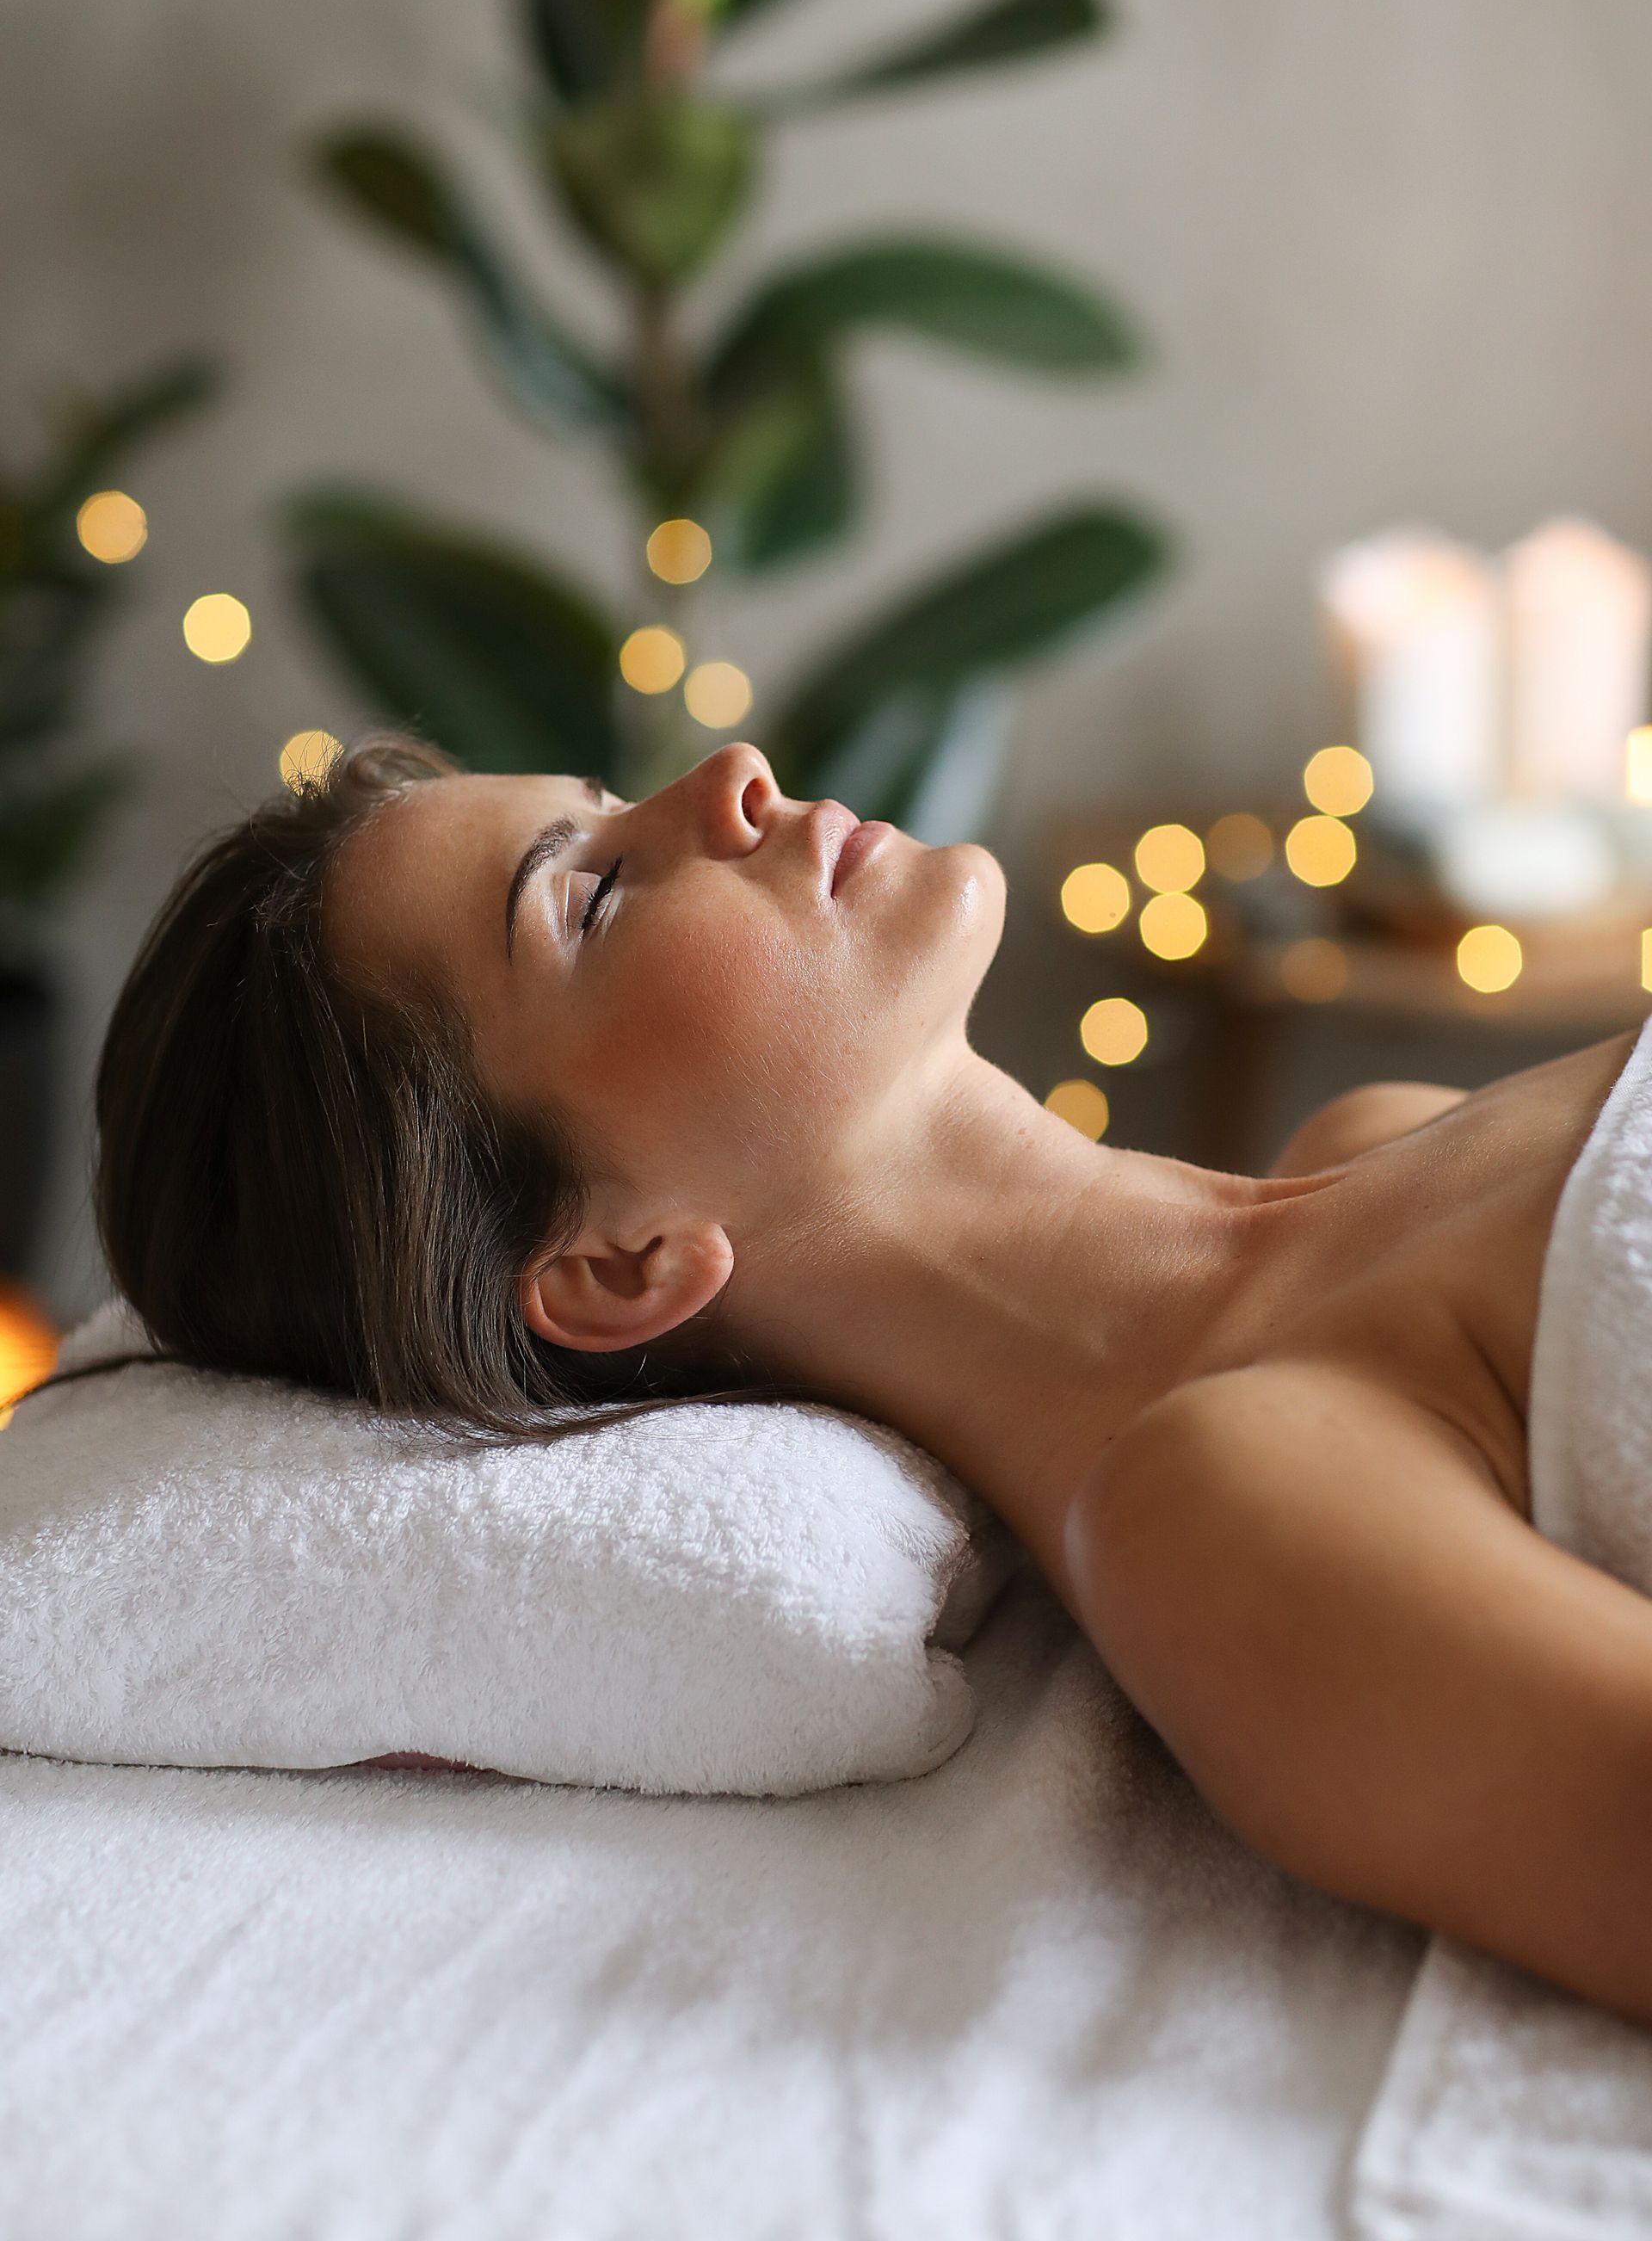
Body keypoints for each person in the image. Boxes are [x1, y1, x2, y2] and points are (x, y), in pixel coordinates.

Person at [96, 732, 1652, 2022]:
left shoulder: (1372, 1137)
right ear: (618, 1263)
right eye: (594, 896)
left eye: (606, 802)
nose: (731, 776)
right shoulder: (1220, 1512)